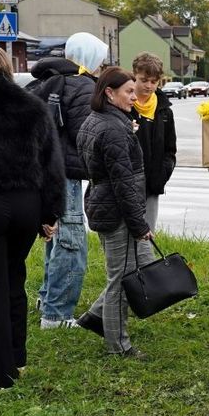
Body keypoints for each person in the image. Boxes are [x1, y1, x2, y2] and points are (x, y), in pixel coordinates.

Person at [0, 47, 64, 387]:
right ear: (8, 69)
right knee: (14, 277)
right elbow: (52, 165)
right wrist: (51, 212)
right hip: (26, 204)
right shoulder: (32, 106)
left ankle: (0, 371)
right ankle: (17, 357)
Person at [28, 31, 107, 330]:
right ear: (89, 57)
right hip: (67, 175)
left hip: (43, 171)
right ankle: (57, 314)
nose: (101, 66)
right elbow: (86, 136)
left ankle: (47, 298)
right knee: (71, 243)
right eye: (99, 59)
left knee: (55, 238)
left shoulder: (47, 79)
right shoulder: (83, 86)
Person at [74, 68, 156, 359]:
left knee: (130, 271)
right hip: (117, 211)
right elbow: (124, 184)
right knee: (121, 281)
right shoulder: (112, 129)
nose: (135, 97)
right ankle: (118, 345)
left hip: (102, 203)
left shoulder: (97, 121)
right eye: (129, 92)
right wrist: (139, 225)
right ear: (109, 93)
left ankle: (96, 317)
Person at [130, 53, 177, 230]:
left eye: (154, 81)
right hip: (126, 184)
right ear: (134, 76)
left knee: (147, 235)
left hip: (152, 184)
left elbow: (170, 149)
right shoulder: (124, 105)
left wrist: (162, 175)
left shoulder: (165, 111)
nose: (149, 86)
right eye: (144, 80)